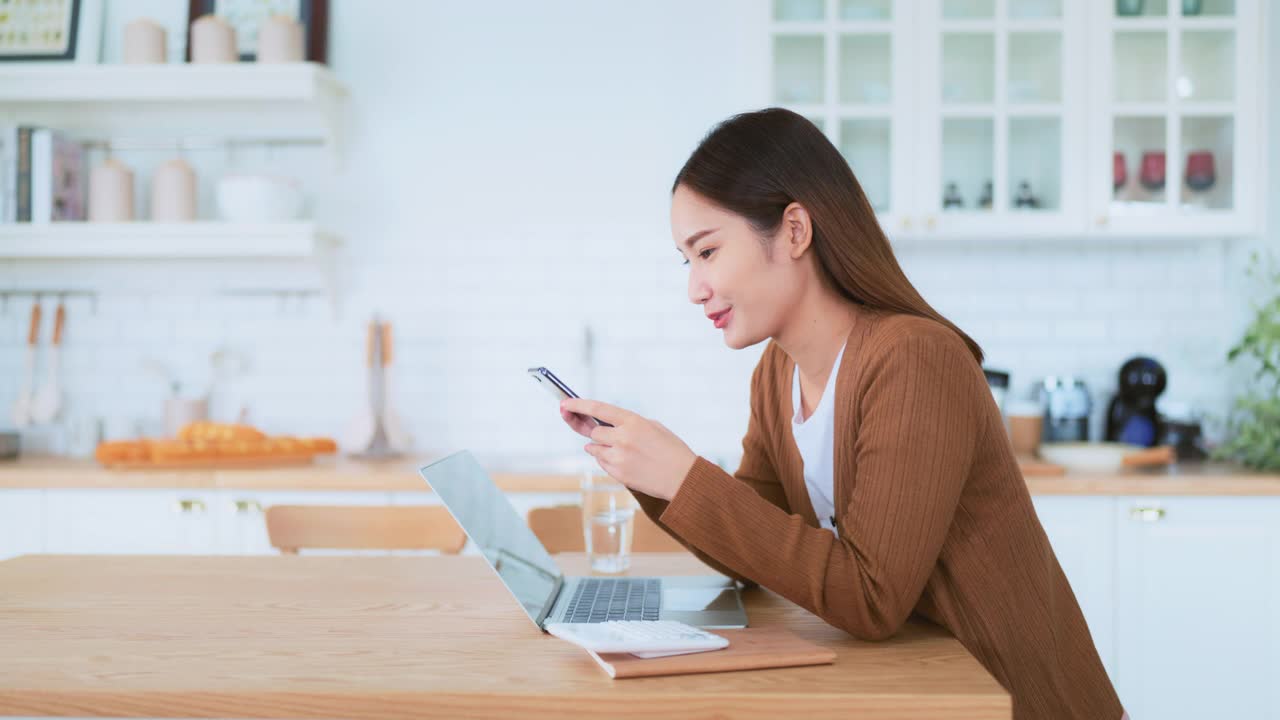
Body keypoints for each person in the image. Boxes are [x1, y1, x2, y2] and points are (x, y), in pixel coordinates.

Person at [559, 108, 1126, 720]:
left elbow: (870, 597)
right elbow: (751, 546)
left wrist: (684, 476)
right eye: (686, 260)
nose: (694, 287)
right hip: (925, 693)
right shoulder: (776, 375)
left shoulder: (913, 360)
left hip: (1014, 701)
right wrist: (650, 474)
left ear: (795, 231)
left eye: (708, 251)